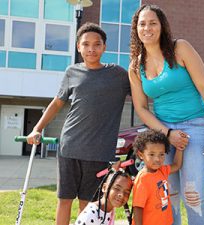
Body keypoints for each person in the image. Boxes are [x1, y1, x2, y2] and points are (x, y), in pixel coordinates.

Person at [129, 4, 204, 225]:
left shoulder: (180, 48)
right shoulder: (135, 67)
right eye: (142, 24)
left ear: (162, 26)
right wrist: (168, 133)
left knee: (192, 195)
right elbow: (142, 108)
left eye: (153, 23)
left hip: (195, 127)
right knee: (168, 196)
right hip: (163, 132)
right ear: (136, 29)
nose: (147, 28)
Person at [26, 22, 130, 225]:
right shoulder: (71, 72)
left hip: (99, 153)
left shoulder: (118, 75)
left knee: (89, 203)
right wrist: (37, 128)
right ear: (78, 47)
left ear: (104, 47)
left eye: (97, 44)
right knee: (64, 200)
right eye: (86, 44)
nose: (91, 48)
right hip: (70, 147)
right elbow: (56, 103)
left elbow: (141, 94)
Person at [132, 129, 185, 225]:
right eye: (151, 154)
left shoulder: (162, 170)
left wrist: (179, 148)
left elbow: (177, 165)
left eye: (161, 154)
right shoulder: (142, 179)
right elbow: (137, 207)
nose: (157, 159)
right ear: (141, 155)